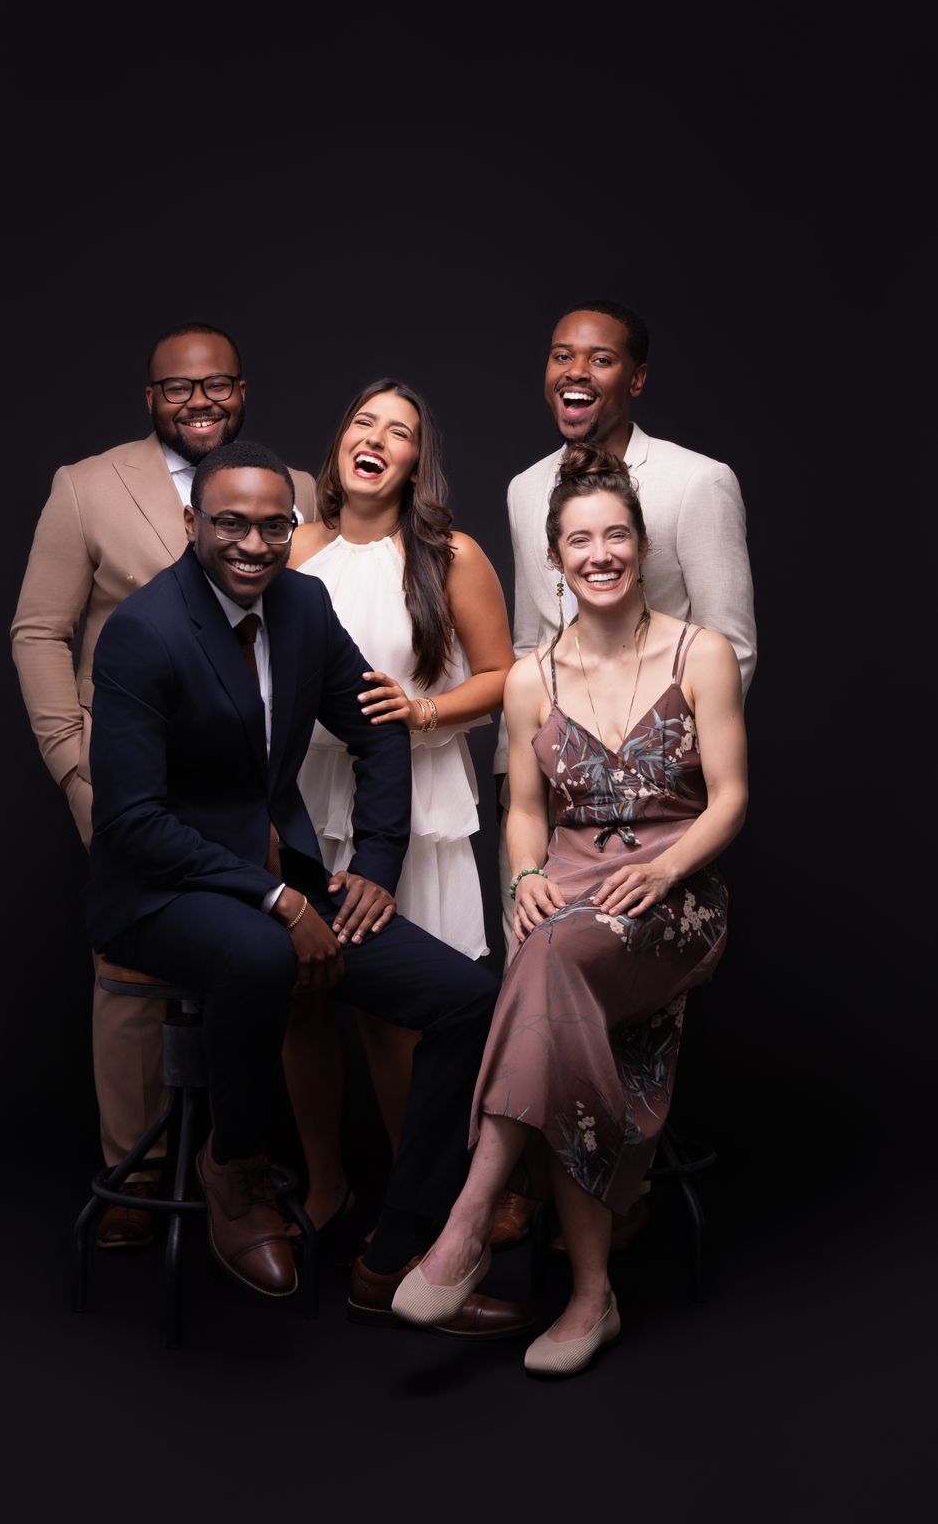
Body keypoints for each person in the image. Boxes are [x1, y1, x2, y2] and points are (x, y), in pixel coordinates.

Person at [83, 442, 529, 1336]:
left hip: (279, 875)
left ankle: (398, 1254)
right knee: (260, 956)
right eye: (230, 524)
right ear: (191, 523)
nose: (253, 545)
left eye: (272, 526)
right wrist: (278, 901)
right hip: (161, 892)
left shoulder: (301, 603)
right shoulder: (143, 630)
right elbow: (131, 822)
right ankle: (236, 1167)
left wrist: (374, 864)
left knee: (466, 1000)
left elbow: (378, 728)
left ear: (292, 527)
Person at [393, 443, 747, 1376]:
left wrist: (666, 870)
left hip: (675, 898)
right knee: (549, 976)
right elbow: (522, 811)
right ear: (553, 558)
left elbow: (730, 801)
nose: (600, 554)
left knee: (541, 967)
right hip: (569, 893)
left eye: (616, 536)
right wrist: (521, 879)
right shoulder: (529, 677)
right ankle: (592, 1298)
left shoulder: (700, 653)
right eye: (580, 540)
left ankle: (469, 1216)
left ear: (642, 546)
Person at [10, 322, 317, 1250]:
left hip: (249, 783)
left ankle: (243, 1158)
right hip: (131, 780)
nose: (199, 400)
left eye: (217, 383)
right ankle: (135, 1173)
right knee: (132, 970)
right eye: (178, 387)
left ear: (242, 391)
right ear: (150, 398)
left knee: (257, 953)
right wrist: (75, 766)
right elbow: (39, 633)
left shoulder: (296, 490)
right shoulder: (86, 486)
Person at [490, 296, 756, 1249]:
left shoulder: (695, 482)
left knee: (563, 962)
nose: (575, 371)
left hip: (667, 806)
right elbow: (536, 644)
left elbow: (730, 643)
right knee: (529, 936)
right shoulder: (526, 489)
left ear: (633, 378)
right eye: (559, 354)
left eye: (599, 358)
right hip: (559, 802)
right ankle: (561, 1182)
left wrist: (645, 773)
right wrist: (532, 833)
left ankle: (542, 1187)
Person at [283, 378, 514, 1234]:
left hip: (410, 799)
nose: (376, 438)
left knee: (398, 1016)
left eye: (399, 431)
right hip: (306, 792)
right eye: (364, 421)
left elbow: (502, 676)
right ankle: (326, 1187)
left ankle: (421, 1211)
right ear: (340, 442)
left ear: (416, 462)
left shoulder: (450, 554)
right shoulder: (295, 545)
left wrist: (422, 711)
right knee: (299, 995)